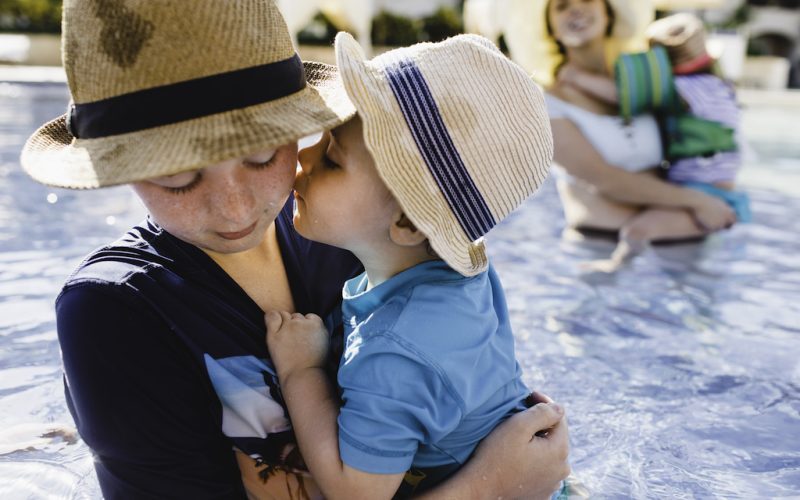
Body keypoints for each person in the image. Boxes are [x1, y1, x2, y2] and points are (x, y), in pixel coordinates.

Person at [20, 1, 570, 498]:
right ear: (124, 173)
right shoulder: (115, 313)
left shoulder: (345, 237)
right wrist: (488, 486)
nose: (237, 212)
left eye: (262, 158)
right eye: (179, 180)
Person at [264, 32, 560, 499]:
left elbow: (356, 494)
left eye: (334, 159)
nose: (302, 154)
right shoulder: (463, 277)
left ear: (405, 220)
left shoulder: (394, 350)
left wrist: (301, 372)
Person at [503, 0, 737, 264]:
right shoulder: (543, 104)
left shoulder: (643, 84)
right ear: (551, 29)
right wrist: (702, 202)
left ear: (609, 15)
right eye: (562, 6)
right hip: (597, 251)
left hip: (683, 245)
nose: (575, 9)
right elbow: (604, 178)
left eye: (588, 0)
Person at [555, 12, 750, 270]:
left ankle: (614, 265)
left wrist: (577, 78)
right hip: (716, 191)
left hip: (706, 192)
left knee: (637, 231)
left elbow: (622, 96)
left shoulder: (686, 90)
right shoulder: (719, 87)